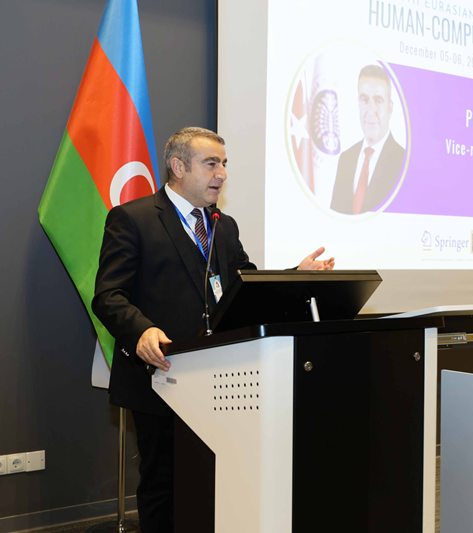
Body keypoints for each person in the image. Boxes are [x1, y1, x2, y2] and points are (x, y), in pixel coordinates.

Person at [92, 127, 334, 532]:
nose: (221, 173)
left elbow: (246, 290)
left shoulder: (224, 225)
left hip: (223, 378)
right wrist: (142, 330)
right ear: (178, 166)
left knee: (215, 483)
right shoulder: (133, 219)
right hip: (161, 375)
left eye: (224, 164)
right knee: (164, 485)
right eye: (211, 164)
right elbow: (108, 295)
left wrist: (297, 275)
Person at [330, 64, 405, 214]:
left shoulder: (403, 162)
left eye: (378, 100)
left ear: (390, 107)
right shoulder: (345, 159)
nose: (371, 110)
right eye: (364, 100)